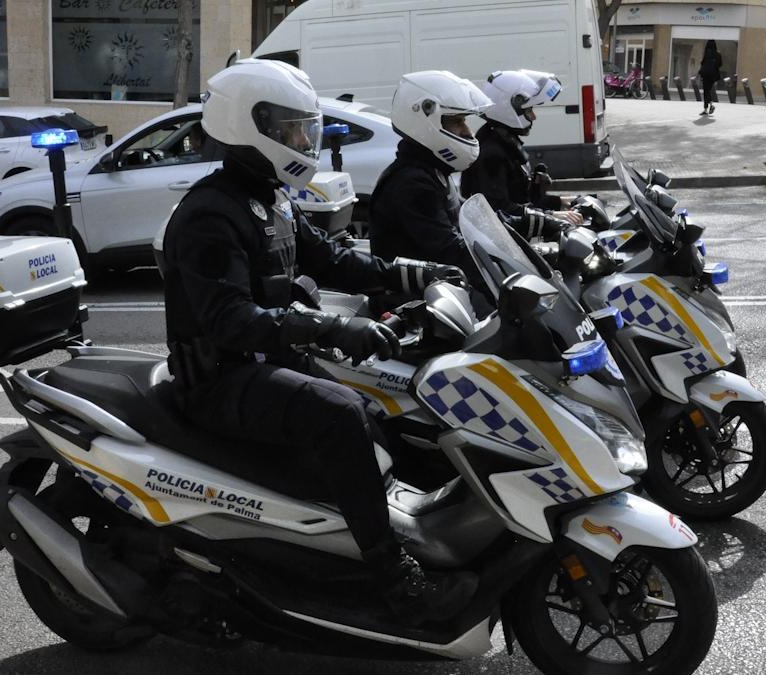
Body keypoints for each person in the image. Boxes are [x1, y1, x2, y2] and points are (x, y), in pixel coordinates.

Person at [162, 58, 474, 625]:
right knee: (341, 415)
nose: (306, 139)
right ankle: (392, 581)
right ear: (250, 126)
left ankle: (380, 533)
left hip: (265, 360)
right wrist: (332, 328)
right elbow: (230, 320)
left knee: (384, 407)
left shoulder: (271, 197)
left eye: (308, 128)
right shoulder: (211, 214)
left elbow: (331, 259)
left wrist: (415, 273)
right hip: (218, 379)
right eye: (293, 129)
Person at [368, 70, 494, 289]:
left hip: (443, 291)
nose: (467, 131)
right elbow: (448, 249)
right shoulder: (411, 183)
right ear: (426, 120)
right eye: (458, 122)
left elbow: (469, 217)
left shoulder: (431, 171)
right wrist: (498, 258)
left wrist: (513, 230)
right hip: (415, 305)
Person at [460, 69, 582, 240]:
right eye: (529, 109)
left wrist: (563, 201)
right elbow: (500, 208)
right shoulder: (491, 152)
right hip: (504, 242)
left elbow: (521, 197)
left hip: (517, 235)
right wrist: (550, 215)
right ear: (509, 107)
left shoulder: (504, 139)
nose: (533, 116)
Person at [699, 40, 723, 116]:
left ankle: (708, 107)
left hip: (705, 75)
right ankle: (709, 107)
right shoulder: (718, 54)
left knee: (706, 91)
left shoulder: (707, 53)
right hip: (713, 75)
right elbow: (720, 64)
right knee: (708, 90)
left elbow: (702, 63)